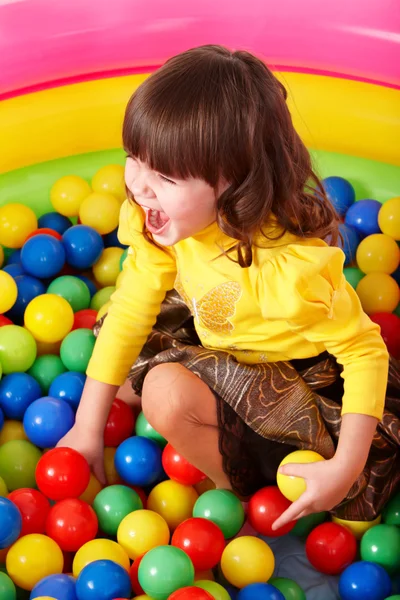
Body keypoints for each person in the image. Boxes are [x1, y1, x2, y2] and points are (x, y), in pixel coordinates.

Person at [58, 45, 400, 529]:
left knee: (161, 394)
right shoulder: (161, 219)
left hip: (290, 383)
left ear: (233, 184)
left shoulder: (287, 271)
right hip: (219, 333)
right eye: (135, 157)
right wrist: (86, 428)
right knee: (117, 331)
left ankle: (233, 491)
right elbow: (134, 306)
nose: (139, 185)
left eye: (167, 176)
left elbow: (366, 353)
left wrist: (343, 468)